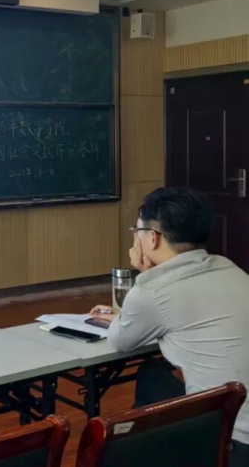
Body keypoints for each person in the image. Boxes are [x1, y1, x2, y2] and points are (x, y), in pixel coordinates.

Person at [90, 187, 249, 463]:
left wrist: (146, 276)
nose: (136, 238)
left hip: (232, 441)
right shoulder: (229, 268)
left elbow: (119, 340)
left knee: (149, 388)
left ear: (152, 237)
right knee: (153, 376)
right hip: (240, 420)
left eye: (137, 231)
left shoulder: (152, 291)